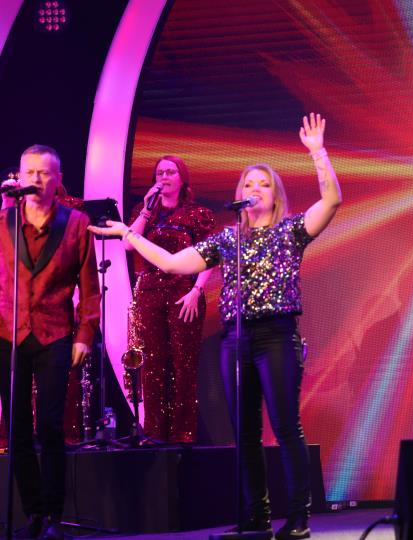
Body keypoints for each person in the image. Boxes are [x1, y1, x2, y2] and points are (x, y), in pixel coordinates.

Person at [90, 113, 341, 539]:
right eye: (248, 184)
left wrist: (318, 152)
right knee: (244, 433)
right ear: (238, 196)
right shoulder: (228, 239)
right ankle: (256, 518)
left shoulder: (291, 231)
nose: (254, 190)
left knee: (285, 426)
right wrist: (127, 235)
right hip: (236, 339)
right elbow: (173, 263)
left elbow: (331, 201)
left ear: (275, 195)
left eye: (263, 184)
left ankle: (299, 517)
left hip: (276, 336)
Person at [0, 145, 100, 540]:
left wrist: (85, 334)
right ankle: (33, 513)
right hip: (8, 333)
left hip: (55, 332)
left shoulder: (75, 224)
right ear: (19, 177)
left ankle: (54, 516)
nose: (36, 179)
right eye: (29, 172)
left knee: (51, 425)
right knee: (17, 428)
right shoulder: (5, 220)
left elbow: (89, 288)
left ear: (58, 180)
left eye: (44, 173)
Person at [123, 155, 215, 443]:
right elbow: (128, 243)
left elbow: (209, 256)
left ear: (182, 178)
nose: (164, 177)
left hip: (183, 292)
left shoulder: (197, 214)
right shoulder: (144, 211)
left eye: (170, 172)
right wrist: (146, 210)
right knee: (153, 363)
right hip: (150, 293)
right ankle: (154, 431)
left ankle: (182, 432)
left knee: (183, 363)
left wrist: (196, 290)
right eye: (160, 172)